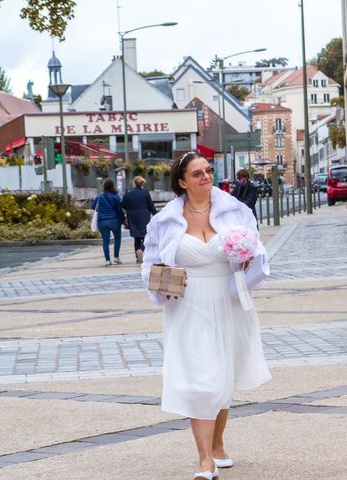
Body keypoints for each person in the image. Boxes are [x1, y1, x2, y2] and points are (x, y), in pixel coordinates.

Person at [142, 151, 271, 480]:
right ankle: (205, 462)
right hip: (187, 304)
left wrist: (248, 258)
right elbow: (150, 265)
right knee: (201, 380)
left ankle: (217, 444)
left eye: (208, 170)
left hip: (226, 301)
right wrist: (161, 278)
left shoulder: (234, 210)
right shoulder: (165, 221)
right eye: (197, 173)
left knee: (222, 378)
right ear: (182, 182)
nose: (206, 177)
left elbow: (258, 249)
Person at [121, 176, 157, 263]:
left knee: (136, 237)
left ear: (134, 183)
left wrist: (130, 209)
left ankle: (137, 256)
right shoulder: (145, 193)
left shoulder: (128, 193)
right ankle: (141, 249)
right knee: (146, 236)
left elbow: (123, 205)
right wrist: (156, 215)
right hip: (144, 216)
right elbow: (150, 206)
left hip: (133, 217)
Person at [92, 178, 126, 266]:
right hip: (114, 221)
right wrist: (123, 220)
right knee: (117, 238)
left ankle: (107, 260)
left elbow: (93, 206)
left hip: (102, 221)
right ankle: (116, 257)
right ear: (112, 186)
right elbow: (119, 210)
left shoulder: (100, 196)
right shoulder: (115, 196)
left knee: (105, 241)